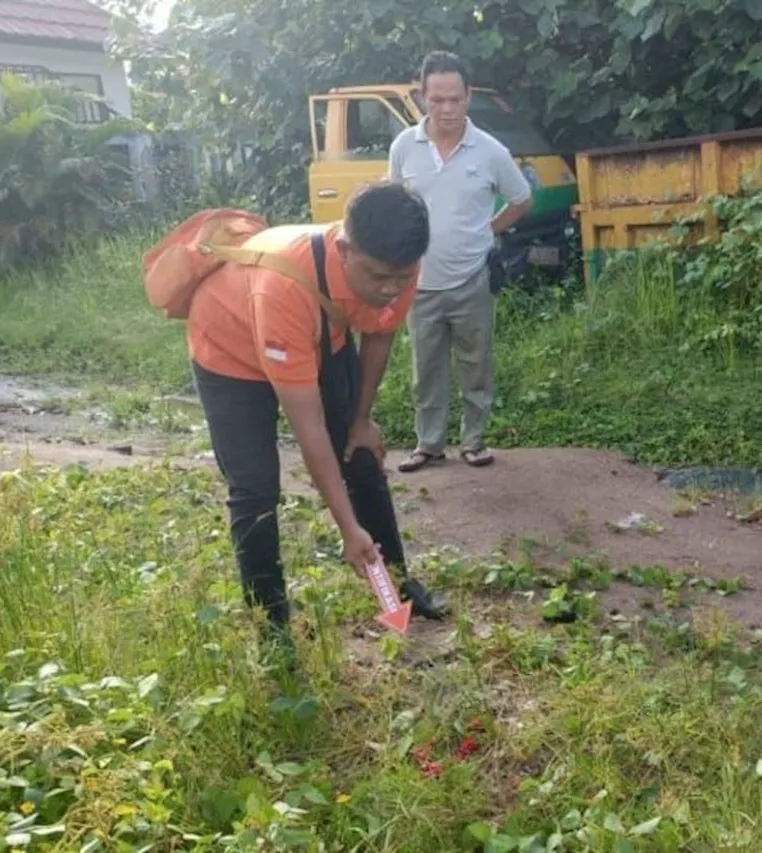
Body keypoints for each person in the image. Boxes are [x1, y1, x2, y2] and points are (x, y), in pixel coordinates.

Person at [186, 182, 450, 665]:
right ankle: (272, 625)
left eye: (402, 276)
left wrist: (361, 419)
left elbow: (378, 334)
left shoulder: (398, 261)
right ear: (346, 249)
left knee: (361, 455)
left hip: (320, 334)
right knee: (256, 490)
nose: (391, 288)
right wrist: (348, 528)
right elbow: (308, 430)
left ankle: (394, 581)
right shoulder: (284, 285)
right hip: (229, 349)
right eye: (378, 276)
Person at [389, 50, 533, 473]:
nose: (447, 108)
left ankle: (473, 441)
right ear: (422, 98)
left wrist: (490, 228)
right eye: (437, 100)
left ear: (468, 96)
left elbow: (522, 198)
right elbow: (396, 205)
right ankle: (429, 445)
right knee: (425, 370)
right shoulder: (404, 148)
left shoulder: (490, 151)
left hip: (472, 278)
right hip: (420, 281)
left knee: (475, 364)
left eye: (455, 99)